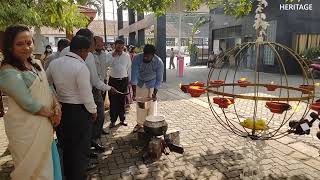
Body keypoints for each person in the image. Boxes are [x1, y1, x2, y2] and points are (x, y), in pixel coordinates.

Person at [0, 25, 62, 180]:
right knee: (35, 172)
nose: (26, 47)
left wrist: (57, 105)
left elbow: (47, 87)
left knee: (50, 166)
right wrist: (52, 114)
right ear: (9, 47)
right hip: (27, 130)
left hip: (45, 125)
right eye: (19, 44)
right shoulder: (8, 72)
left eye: (29, 42)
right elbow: (28, 103)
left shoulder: (36, 63)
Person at [46, 35, 96, 180]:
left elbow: (45, 83)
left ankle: (68, 174)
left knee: (67, 147)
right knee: (80, 149)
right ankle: (79, 176)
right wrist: (93, 111)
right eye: (87, 51)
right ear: (81, 51)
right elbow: (86, 95)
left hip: (63, 110)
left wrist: (55, 98)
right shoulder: (81, 67)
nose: (87, 55)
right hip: (79, 112)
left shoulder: (55, 64)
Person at [60, 29, 116, 153]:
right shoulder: (87, 57)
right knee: (95, 119)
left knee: (76, 130)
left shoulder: (63, 53)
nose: (93, 45)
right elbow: (94, 81)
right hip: (84, 95)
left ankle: (88, 146)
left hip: (65, 99)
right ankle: (86, 150)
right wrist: (108, 89)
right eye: (92, 41)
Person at [131, 44, 164, 131]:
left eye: (148, 56)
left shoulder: (159, 62)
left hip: (152, 83)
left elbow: (159, 79)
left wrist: (154, 93)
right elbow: (133, 77)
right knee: (140, 105)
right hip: (140, 83)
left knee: (151, 106)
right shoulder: (137, 58)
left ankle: (150, 123)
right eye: (144, 55)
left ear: (153, 55)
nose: (145, 58)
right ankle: (139, 124)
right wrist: (134, 93)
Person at [107, 39, 132, 128]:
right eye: (118, 47)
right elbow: (106, 65)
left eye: (122, 47)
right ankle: (113, 121)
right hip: (113, 81)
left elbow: (129, 68)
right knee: (113, 101)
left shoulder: (126, 56)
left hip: (123, 81)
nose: (120, 49)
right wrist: (113, 56)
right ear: (115, 45)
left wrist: (130, 79)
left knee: (122, 101)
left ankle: (122, 119)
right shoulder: (109, 54)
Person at [92, 36, 109, 136]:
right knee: (96, 110)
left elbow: (105, 67)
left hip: (103, 82)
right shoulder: (90, 55)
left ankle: (99, 129)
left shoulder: (104, 54)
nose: (102, 43)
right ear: (94, 43)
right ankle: (94, 132)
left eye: (102, 42)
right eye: (100, 41)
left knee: (101, 108)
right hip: (94, 86)